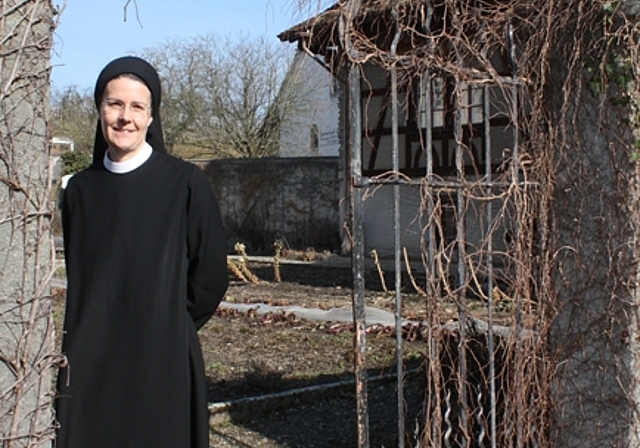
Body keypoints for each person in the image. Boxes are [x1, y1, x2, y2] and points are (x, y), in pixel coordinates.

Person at [55, 56, 228, 448]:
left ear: (152, 117)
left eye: (137, 107)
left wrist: (164, 321)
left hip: (161, 358)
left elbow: (211, 278)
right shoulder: (78, 191)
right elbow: (82, 273)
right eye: (115, 104)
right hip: (90, 362)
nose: (124, 118)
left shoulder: (185, 184)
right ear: (100, 108)